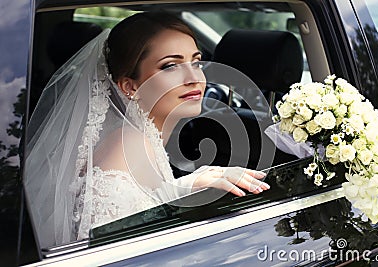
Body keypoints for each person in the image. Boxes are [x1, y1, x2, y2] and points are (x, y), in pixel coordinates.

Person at [24, 12, 270, 248]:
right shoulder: (129, 143)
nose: (194, 78)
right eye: (170, 66)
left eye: (196, 62)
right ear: (130, 87)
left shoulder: (136, 136)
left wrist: (186, 186)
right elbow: (113, 246)